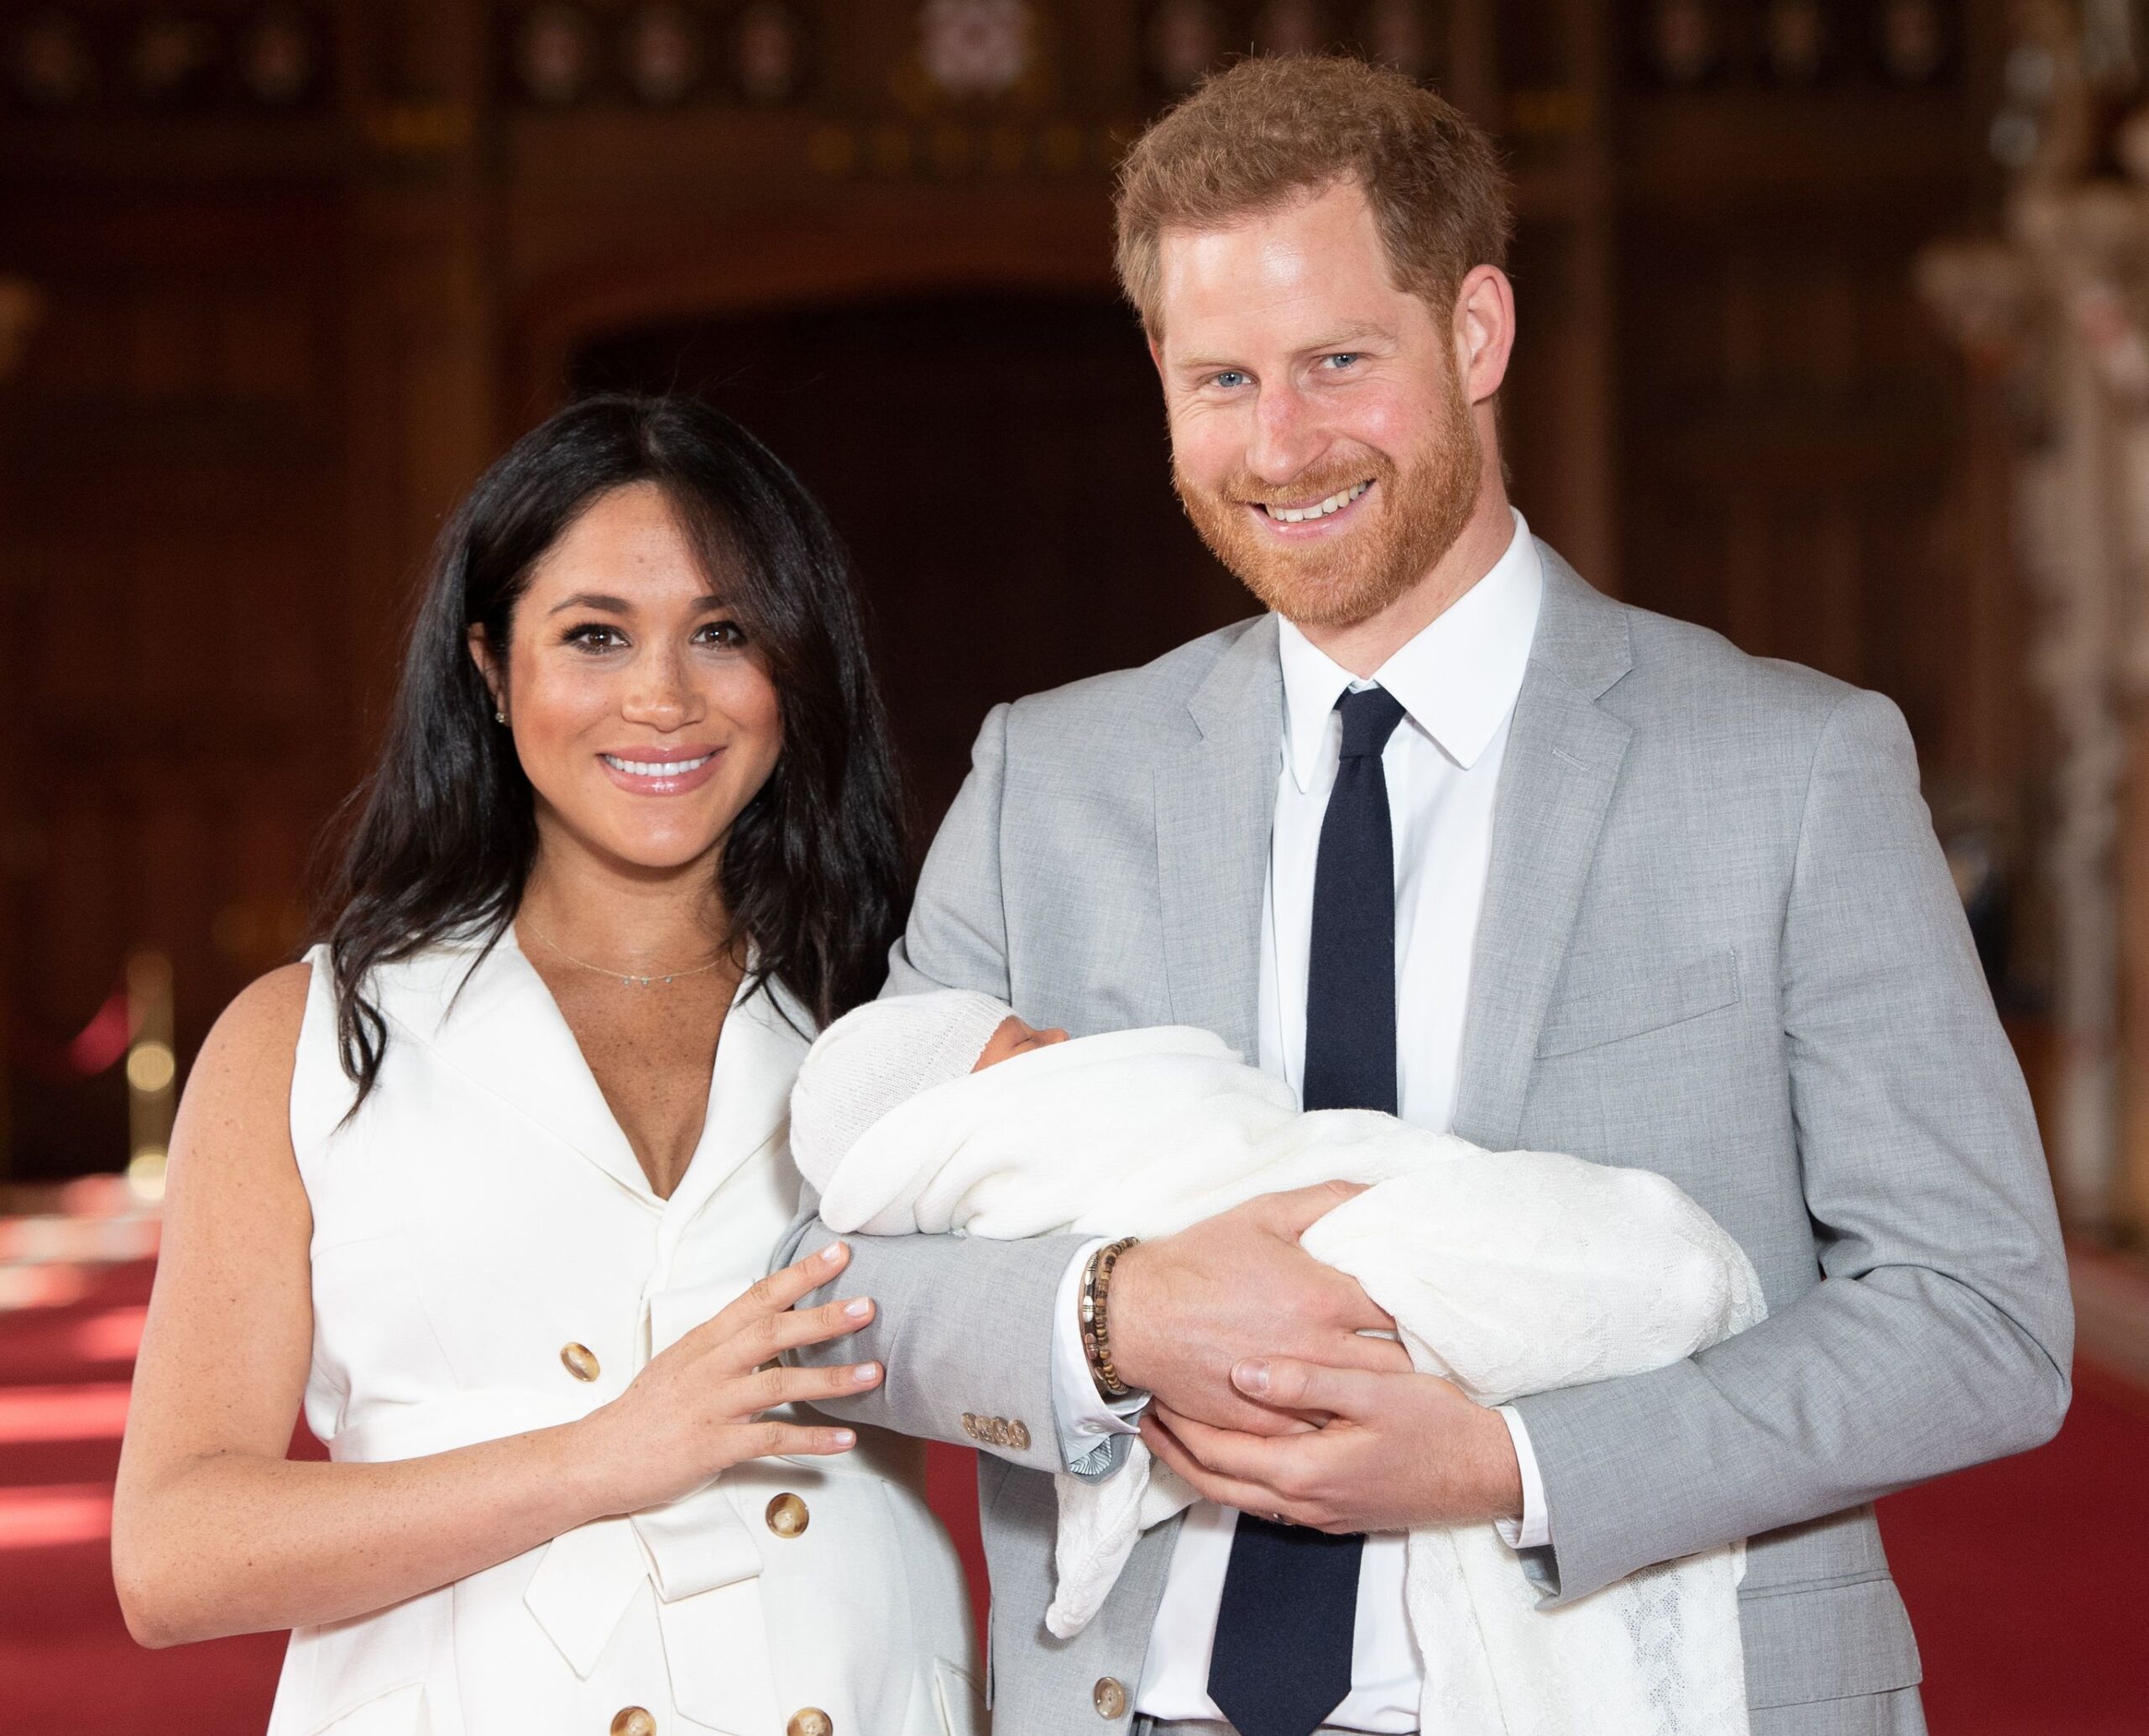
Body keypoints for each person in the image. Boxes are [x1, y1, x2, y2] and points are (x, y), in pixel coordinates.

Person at [782, 55, 2074, 1736]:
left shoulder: (1790, 766)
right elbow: (837, 1277)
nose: (1279, 443)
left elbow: (1975, 1313)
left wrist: (1509, 1456)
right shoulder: (1049, 780)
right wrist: (1111, 1314)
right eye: (1219, 378)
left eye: (1336, 362)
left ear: (1473, 334)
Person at [112, 395, 983, 1736]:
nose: (663, 698)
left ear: (791, 669)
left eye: (723, 633)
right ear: (490, 666)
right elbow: (170, 1558)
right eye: (594, 635)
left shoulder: (895, 1010)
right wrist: (601, 1458)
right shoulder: (308, 1039)